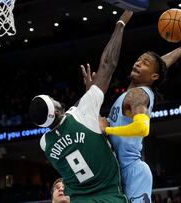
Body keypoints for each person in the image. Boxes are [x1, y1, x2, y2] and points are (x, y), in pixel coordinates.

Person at [28, 10, 133, 202]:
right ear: (58, 109)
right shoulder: (82, 112)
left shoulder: (45, 144)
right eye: (52, 99)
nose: (55, 99)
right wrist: (121, 23)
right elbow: (108, 64)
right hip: (108, 196)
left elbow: (70, 115)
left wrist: (89, 93)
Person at [82, 28, 181, 202]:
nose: (139, 63)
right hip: (115, 172)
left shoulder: (139, 94)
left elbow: (142, 128)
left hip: (132, 171)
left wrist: (108, 130)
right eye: (139, 59)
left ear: (153, 76)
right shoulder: (132, 92)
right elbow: (159, 66)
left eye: (145, 63)